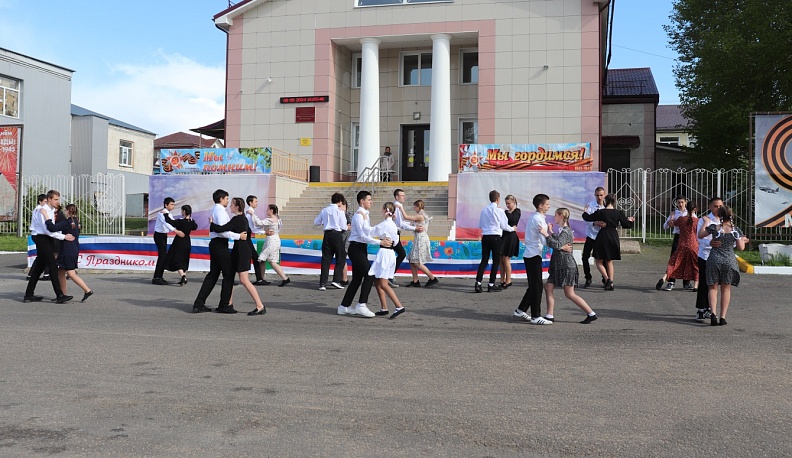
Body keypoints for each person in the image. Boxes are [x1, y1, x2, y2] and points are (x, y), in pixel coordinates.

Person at [338, 190, 394, 318]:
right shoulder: (358, 215)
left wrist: (383, 234)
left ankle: (343, 306)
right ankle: (361, 305)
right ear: (362, 201)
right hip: (356, 248)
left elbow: (368, 232)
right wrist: (380, 242)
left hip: (361, 248)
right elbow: (363, 236)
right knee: (370, 274)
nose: (371, 202)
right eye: (369, 199)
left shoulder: (364, 215)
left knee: (357, 279)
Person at [210, 197, 267, 316]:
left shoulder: (238, 219)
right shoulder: (242, 219)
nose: (230, 206)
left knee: (244, 280)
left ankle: (260, 306)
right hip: (239, 249)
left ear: (237, 207)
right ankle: (228, 304)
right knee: (230, 276)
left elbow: (222, 229)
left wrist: (211, 223)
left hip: (242, 251)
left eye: (232, 204)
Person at [192, 189, 246, 314]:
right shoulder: (220, 211)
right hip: (220, 245)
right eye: (227, 199)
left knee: (213, 275)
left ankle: (199, 303)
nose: (228, 201)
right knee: (229, 274)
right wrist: (239, 236)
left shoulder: (216, 210)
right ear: (221, 199)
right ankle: (224, 305)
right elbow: (223, 231)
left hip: (216, 244)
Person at [543, 208, 598, 324]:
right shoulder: (563, 230)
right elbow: (559, 243)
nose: (554, 217)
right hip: (558, 265)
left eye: (556, 215)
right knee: (548, 287)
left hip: (566, 266)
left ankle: (591, 313)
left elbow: (557, 244)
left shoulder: (566, 231)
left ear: (561, 216)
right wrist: (551, 232)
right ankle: (549, 315)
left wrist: (546, 234)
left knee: (569, 293)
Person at [698, 205, 748, 326]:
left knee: (712, 287)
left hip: (714, 259)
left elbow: (700, 235)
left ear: (719, 216)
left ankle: (713, 314)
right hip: (729, 260)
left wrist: (705, 222)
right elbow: (741, 248)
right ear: (731, 216)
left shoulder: (714, 227)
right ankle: (723, 317)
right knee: (726, 289)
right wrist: (743, 240)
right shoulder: (735, 230)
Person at [514, 193, 559, 325]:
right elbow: (544, 241)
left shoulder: (536, 217)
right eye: (547, 204)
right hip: (533, 255)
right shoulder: (538, 219)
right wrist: (551, 236)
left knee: (534, 285)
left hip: (532, 254)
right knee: (537, 286)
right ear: (540, 205)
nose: (548, 206)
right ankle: (535, 316)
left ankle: (521, 310)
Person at [24, 189, 75, 304]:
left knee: (39, 267)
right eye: (55, 199)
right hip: (41, 237)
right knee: (52, 265)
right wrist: (63, 237)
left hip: (46, 238)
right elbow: (47, 230)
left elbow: (51, 228)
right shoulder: (42, 210)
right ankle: (59, 295)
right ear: (49, 199)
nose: (57, 201)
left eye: (58, 199)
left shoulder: (51, 210)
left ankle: (28, 294)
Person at [581, 193, 635, 291]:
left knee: (599, 260)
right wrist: (631, 220)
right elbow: (626, 225)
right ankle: (611, 282)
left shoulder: (601, 212)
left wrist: (585, 211)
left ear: (605, 201)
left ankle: (607, 280)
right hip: (613, 235)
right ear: (614, 202)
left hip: (603, 236)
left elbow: (587, 218)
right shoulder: (619, 212)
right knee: (609, 261)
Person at [370, 202, 407, 319]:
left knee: (383, 283)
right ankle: (384, 307)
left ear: (385, 210)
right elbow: (396, 242)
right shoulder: (394, 226)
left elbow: (371, 232)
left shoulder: (384, 225)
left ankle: (399, 306)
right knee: (376, 280)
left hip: (384, 253)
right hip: (390, 252)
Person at [50, 204, 93, 302]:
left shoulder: (66, 222)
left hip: (67, 250)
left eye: (65, 210)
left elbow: (53, 228)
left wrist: (48, 219)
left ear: (68, 211)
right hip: (73, 248)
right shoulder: (77, 222)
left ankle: (87, 290)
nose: (63, 212)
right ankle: (62, 294)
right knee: (60, 272)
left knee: (71, 273)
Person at [475, 190, 515, 293]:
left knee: (484, 260)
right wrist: (512, 229)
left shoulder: (484, 210)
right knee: (496, 261)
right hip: (496, 237)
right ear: (497, 199)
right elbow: (504, 226)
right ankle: (491, 284)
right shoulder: (499, 210)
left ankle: (478, 283)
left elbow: (480, 225)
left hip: (486, 236)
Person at [694, 197, 724, 321]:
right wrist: (710, 243)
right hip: (706, 255)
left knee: (716, 284)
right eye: (715, 206)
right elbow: (699, 238)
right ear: (710, 207)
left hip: (720, 257)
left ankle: (711, 309)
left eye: (720, 206)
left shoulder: (725, 220)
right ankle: (701, 308)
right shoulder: (705, 220)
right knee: (705, 283)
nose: (718, 208)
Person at [656, 196, 696, 291]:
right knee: (673, 259)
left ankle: (686, 282)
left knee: (687, 260)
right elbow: (665, 227)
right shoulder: (674, 214)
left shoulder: (690, 213)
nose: (680, 204)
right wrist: (669, 222)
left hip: (689, 238)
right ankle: (671, 282)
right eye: (679, 202)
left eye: (682, 202)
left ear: (686, 202)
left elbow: (696, 224)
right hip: (678, 238)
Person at [398, 199, 438, 287]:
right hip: (419, 238)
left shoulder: (420, 215)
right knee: (412, 260)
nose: (414, 209)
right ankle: (415, 281)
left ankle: (432, 278)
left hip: (421, 239)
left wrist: (401, 208)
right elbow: (409, 222)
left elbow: (406, 217)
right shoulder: (423, 215)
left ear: (417, 206)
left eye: (414, 207)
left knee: (417, 261)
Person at [314, 192, 346, 291]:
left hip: (327, 234)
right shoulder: (339, 211)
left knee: (326, 259)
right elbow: (343, 226)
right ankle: (336, 280)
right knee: (341, 257)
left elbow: (316, 222)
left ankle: (322, 283)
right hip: (337, 234)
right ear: (340, 201)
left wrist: (325, 222)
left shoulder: (325, 210)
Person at [256, 204, 290, 287]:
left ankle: (261, 278)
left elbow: (259, 223)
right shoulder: (278, 219)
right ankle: (284, 278)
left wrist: (253, 214)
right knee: (272, 261)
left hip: (271, 240)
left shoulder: (271, 219)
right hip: (275, 239)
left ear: (271, 210)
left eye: (267, 209)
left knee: (262, 259)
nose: (266, 211)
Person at [152, 197, 184, 285]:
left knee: (164, 256)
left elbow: (173, 222)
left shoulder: (169, 214)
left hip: (164, 235)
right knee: (162, 255)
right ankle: (157, 277)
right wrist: (176, 231)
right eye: (171, 204)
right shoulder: (162, 213)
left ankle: (159, 276)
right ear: (166, 205)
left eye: (174, 204)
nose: (173, 206)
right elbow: (166, 223)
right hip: (159, 235)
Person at [164, 205, 198, 286]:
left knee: (176, 259)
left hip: (179, 241)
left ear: (184, 212)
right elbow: (195, 227)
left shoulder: (180, 221)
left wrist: (165, 214)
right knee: (184, 259)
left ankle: (183, 276)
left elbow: (170, 221)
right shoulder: (192, 222)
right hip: (187, 241)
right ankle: (184, 277)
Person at [581, 187, 606, 288]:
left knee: (602, 259)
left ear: (604, 195)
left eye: (601, 195)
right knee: (585, 257)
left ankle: (605, 278)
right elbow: (585, 219)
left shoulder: (607, 206)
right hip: (591, 235)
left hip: (602, 236)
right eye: (597, 195)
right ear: (595, 195)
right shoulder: (591, 206)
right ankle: (588, 277)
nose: (599, 197)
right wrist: (594, 223)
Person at [389, 188, 415, 287]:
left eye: (404, 195)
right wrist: (414, 228)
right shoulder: (397, 206)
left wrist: (410, 224)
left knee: (396, 254)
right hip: (394, 233)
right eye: (402, 195)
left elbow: (401, 223)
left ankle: (389, 275)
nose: (404, 197)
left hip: (395, 233)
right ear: (397, 197)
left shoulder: (397, 206)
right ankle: (389, 276)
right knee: (401, 253)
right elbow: (400, 224)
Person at [245, 195, 269, 285]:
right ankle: (259, 278)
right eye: (255, 201)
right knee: (254, 257)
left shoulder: (251, 212)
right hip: (246, 238)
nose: (257, 203)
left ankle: (259, 278)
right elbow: (252, 228)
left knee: (254, 257)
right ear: (250, 202)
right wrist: (263, 232)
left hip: (247, 237)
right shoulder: (249, 213)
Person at [499, 194, 521, 289]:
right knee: (501, 258)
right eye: (506, 203)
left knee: (506, 258)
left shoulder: (517, 211)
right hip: (504, 235)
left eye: (509, 203)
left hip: (511, 236)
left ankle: (508, 280)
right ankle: (502, 280)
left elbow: (513, 219)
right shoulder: (505, 212)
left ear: (514, 202)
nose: (507, 205)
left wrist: (504, 213)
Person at [26, 194, 49, 282]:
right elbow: (43, 224)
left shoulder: (37, 209)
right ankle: (43, 274)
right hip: (38, 234)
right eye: (45, 202)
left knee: (42, 255)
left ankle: (34, 274)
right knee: (47, 254)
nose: (46, 203)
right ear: (40, 201)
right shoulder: (40, 210)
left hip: (36, 234)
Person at [339, 198, 352, 285]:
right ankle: (342, 278)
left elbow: (350, 226)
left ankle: (344, 279)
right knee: (341, 258)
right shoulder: (337, 214)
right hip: (341, 238)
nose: (339, 208)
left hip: (347, 238)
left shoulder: (348, 215)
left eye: (340, 206)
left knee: (342, 258)